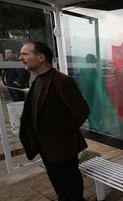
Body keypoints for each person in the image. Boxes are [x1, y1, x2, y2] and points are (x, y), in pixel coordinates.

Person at [18, 41, 90, 201]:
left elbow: (82, 111)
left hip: (62, 148)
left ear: (41, 57)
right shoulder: (37, 81)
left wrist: (61, 135)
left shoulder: (62, 81)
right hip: (45, 147)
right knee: (60, 189)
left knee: (72, 190)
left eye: (25, 54)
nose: (20, 57)